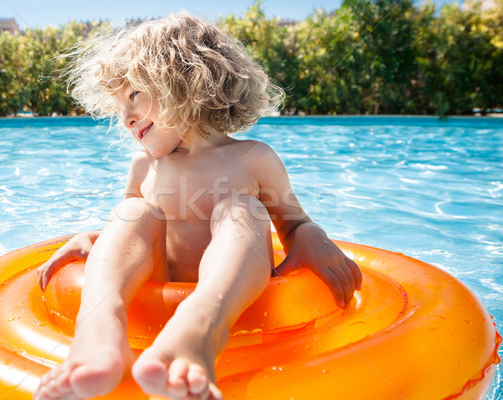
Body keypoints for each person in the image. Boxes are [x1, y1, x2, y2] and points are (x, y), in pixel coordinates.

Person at [33, 13, 362, 400]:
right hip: (161, 285)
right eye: (119, 104)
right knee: (134, 212)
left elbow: (293, 225)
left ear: (185, 81)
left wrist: (310, 237)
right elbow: (132, 240)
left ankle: (198, 331)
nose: (126, 117)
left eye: (135, 94)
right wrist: (96, 240)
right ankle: (102, 333)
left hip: (234, 302)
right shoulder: (145, 167)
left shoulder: (253, 159)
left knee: (243, 210)